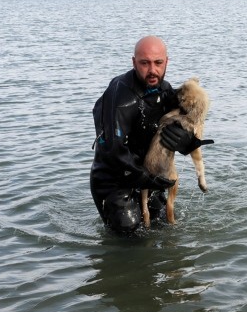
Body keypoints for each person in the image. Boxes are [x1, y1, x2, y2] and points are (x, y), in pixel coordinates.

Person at [90, 36, 213, 234]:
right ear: (133, 62)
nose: (152, 70)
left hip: (149, 174)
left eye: (158, 63)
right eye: (144, 63)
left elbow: (189, 124)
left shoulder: (165, 91)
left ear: (167, 62)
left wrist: (187, 142)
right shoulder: (120, 94)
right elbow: (113, 150)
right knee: (130, 232)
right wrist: (144, 177)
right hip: (113, 181)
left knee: (164, 225)